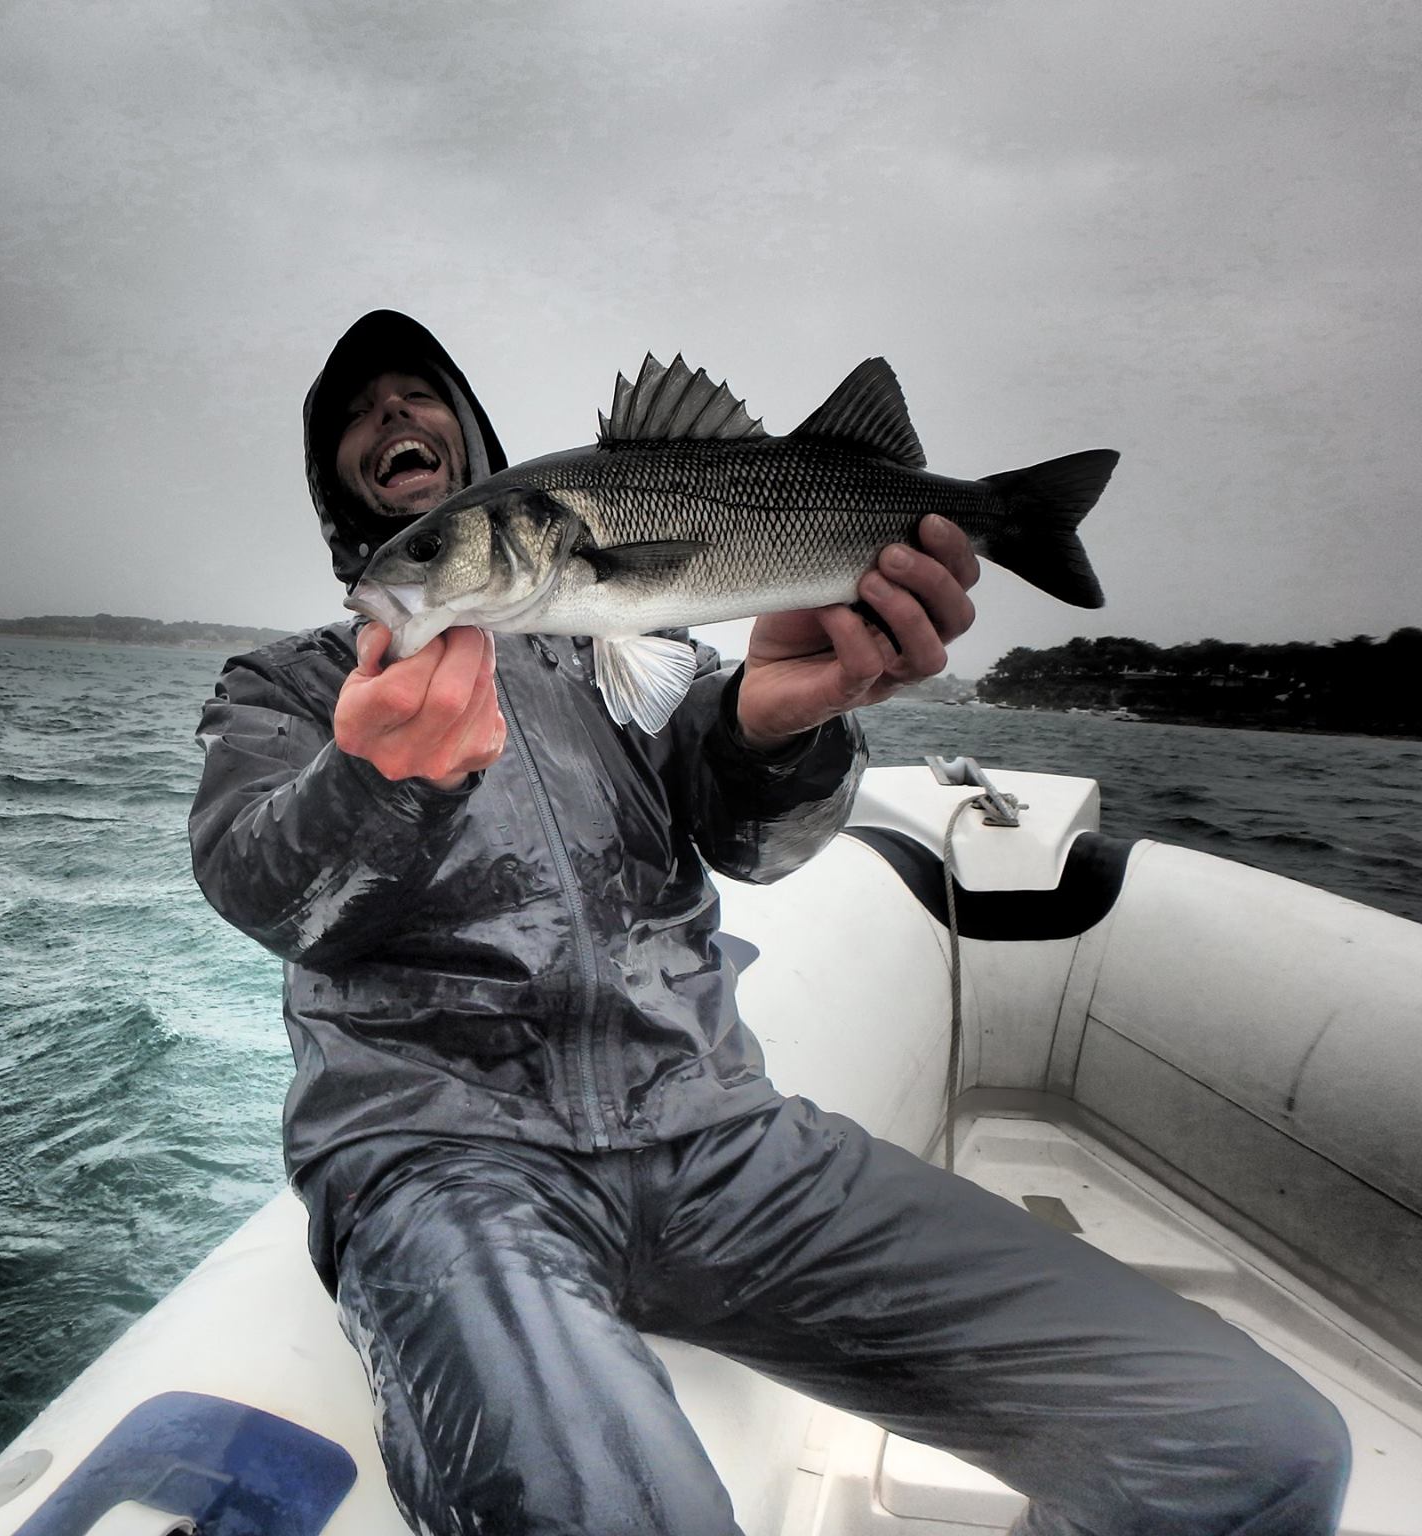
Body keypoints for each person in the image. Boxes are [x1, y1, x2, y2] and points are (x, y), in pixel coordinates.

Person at [189, 310, 1350, 1535]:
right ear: (338, 491)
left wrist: (778, 719)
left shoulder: (636, 654)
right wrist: (374, 779)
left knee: (1255, 1448)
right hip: (441, 1163)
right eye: (355, 416)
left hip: (719, 1144)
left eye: (415, 395)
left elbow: (756, 838)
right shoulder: (287, 687)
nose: (392, 419)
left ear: (479, 450)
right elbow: (260, 888)